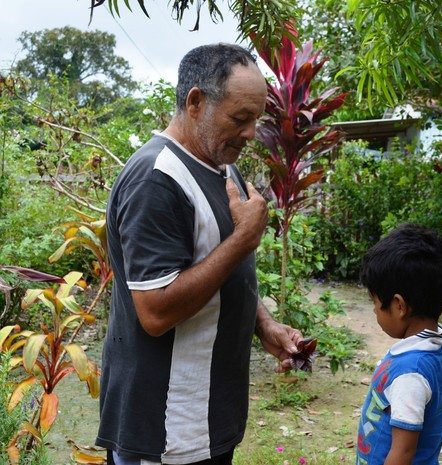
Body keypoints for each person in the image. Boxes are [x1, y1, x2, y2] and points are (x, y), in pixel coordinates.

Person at [96, 43, 304, 465]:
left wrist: (264, 324)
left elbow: (221, 264)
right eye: (239, 118)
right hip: (165, 429)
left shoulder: (221, 165)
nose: (250, 133)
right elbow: (154, 313)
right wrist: (243, 240)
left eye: (256, 119)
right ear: (195, 102)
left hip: (208, 418)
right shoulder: (156, 179)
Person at [356, 223, 442, 465]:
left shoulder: (410, 373)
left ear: (399, 306)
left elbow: (403, 453)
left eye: (376, 303)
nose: (374, 311)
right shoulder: (428, 348)